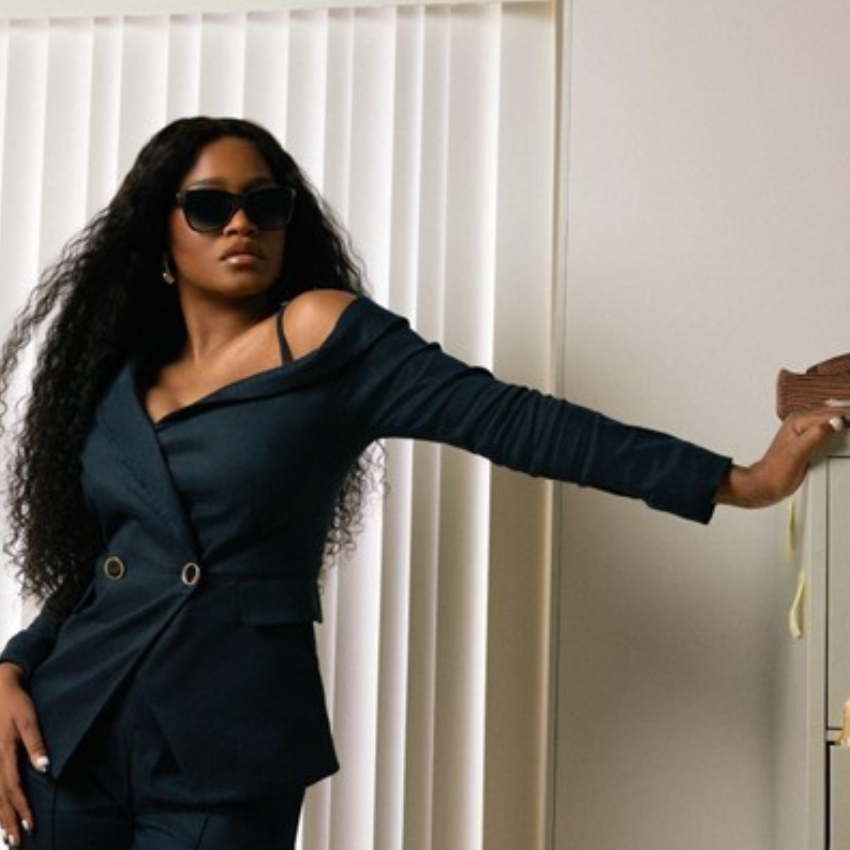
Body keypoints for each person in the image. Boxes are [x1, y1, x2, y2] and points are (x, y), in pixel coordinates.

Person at [0, 116, 840, 850]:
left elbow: (522, 422)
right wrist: (11, 667)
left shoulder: (327, 336)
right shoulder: (115, 380)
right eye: (210, 206)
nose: (242, 223)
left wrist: (741, 481)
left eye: (268, 202)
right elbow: (105, 566)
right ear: (160, 234)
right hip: (72, 735)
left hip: (228, 741)